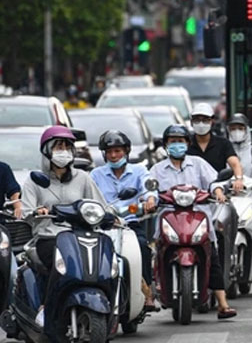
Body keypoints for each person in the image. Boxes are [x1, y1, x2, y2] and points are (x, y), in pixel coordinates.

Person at [149, 125, 237, 319]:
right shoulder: (157, 169)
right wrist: (149, 200)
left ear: (188, 143)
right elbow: (149, 189)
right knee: (155, 254)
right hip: (169, 217)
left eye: (180, 141)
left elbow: (215, 181)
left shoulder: (197, 163)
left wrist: (218, 191)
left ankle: (223, 304)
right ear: (165, 145)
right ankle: (150, 294)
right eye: (172, 141)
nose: (176, 145)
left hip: (198, 216)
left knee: (211, 255)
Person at [21, 126, 106, 323]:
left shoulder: (83, 177)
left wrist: (111, 216)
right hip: (48, 237)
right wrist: (37, 211)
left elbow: (100, 205)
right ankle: (46, 306)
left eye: (67, 146)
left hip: (80, 236)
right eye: (58, 146)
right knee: (60, 263)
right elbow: (26, 211)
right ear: (46, 150)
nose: (63, 151)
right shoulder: (34, 181)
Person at [90, 130, 159, 311]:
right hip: (103, 226)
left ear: (126, 151)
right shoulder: (95, 175)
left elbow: (149, 187)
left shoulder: (139, 170)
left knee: (143, 247)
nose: (113, 155)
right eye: (109, 151)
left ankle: (148, 293)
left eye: (118, 151)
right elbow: (88, 197)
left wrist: (150, 199)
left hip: (130, 225)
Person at [186, 103, 244, 193]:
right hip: (190, 193)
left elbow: (235, 163)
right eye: (197, 120)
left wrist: (239, 179)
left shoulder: (223, 143)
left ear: (212, 121)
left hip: (218, 191)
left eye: (205, 120)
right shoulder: (186, 145)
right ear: (191, 122)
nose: (201, 124)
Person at [1, 161, 22, 302]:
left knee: (13, 274)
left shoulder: (3, 169)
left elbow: (13, 192)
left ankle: (10, 314)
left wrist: (17, 206)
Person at [226, 113, 252, 179]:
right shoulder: (223, 151)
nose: (237, 132)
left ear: (247, 130)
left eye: (240, 129)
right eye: (233, 129)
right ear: (228, 131)